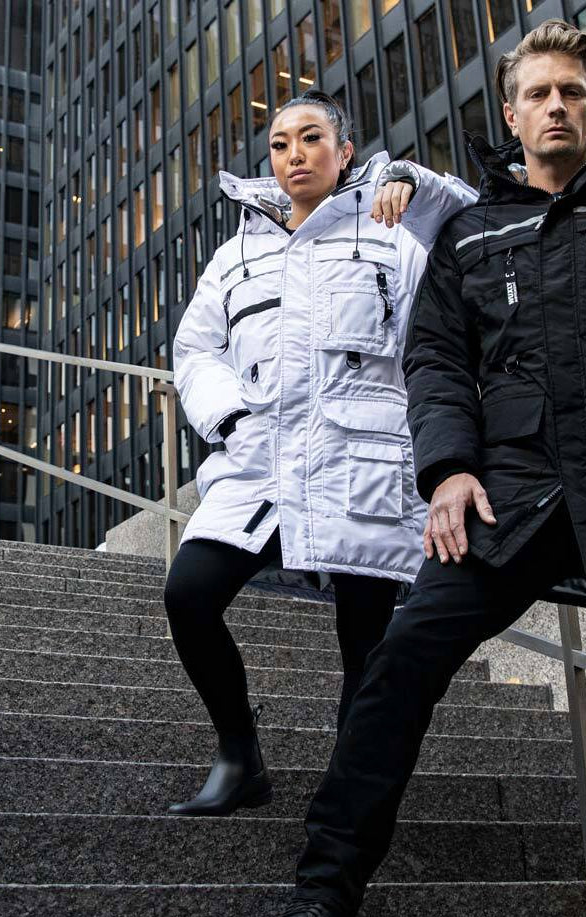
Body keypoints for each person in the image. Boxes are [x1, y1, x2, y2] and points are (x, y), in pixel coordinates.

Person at [252, 21, 586, 917]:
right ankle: (323, 893)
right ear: (511, 112)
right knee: (394, 670)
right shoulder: (473, 230)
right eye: (539, 94)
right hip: (511, 497)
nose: (557, 107)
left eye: (572, 91)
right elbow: (438, 361)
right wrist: (447, 471)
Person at [163, 90, 478, 816]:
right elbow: (194, 346)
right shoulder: (238, 250)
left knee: (364, 635)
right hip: (260, 462)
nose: (294, 153)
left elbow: (470, 230)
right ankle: (239, 754)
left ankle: (350, 787)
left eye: (311, 138)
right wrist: (229, 416)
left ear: (344, 151)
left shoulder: (389, 227)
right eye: (279, 143)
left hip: (359, 461)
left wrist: (415, 183)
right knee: (190, 593)